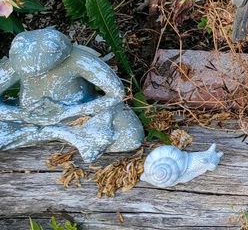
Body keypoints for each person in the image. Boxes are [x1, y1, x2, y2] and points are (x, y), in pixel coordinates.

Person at [0, 28, 143, 161]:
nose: (35, 75)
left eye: (41, 71)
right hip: (28, 118)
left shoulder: (77, 59)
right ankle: (56, 133)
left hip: (79, 115)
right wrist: (20, 114)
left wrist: (69, 111)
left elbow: (117, 93)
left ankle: (55, 132)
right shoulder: (18, 61)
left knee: (130, 136)